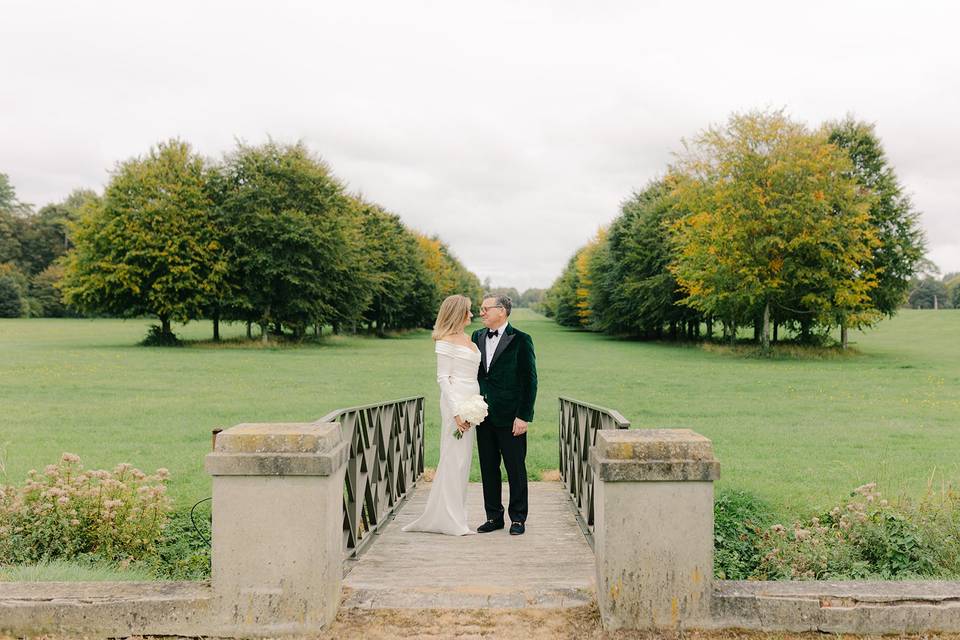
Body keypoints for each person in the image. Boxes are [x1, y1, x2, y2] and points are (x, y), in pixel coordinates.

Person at [402, 294, 480, 536]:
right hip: (455, 402)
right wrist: (457, 411)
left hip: (472, 402)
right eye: (468, 311)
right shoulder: (445, 341)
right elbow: (443, 379)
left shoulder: (468, 338)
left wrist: (475, 405)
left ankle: (456, 513)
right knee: (453, 457)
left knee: (463, 460)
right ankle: (448, 519)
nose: (472, 314)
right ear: (458, 313)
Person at [472, 294, 537, 535]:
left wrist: (523, 416)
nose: (482, 313)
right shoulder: (476, 337)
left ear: (502, 310)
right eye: (480, 309)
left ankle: (518, 518)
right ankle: (493, 517)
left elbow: (530, 381)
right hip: (483, 416)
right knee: (488, 468)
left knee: (515, 468)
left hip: (511, 418)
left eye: (485, 309)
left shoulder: (521, 340)